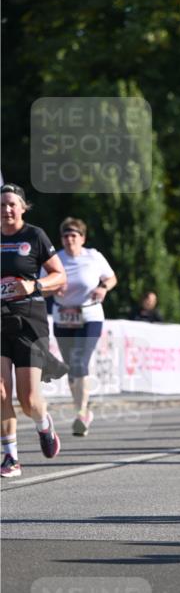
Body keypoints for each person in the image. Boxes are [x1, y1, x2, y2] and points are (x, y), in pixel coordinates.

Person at [1, 183, 66, 478]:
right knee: (0, 392)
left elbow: (59, 276)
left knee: (29, 401)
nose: (6, 210)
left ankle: (43, 424)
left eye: (12, 204)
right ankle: (11, 458)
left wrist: (34, 285)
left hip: (29, 320)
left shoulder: (35, 236)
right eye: (2, 205)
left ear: (23, 207)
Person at [51, 217, 117, 436]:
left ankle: (80, 414)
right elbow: (41, 285)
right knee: (71, 367)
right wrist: (52, 289)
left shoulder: (93, 256)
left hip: (89, 316)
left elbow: (111, 278)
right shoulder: (55, 259)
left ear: (82, 238)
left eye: (74, 235)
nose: (69, 240)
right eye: (65, 236)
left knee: (80, 361)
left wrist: (103, 288)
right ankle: (84, 409)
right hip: (63, 318)